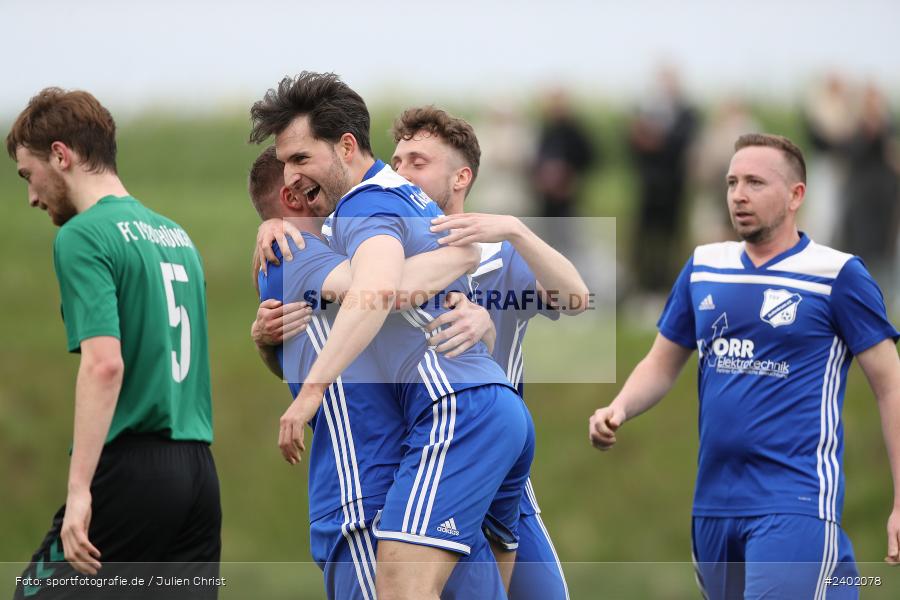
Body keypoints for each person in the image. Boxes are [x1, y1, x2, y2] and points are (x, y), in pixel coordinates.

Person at [255, 106, 591, 599]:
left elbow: (578, 298)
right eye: (397, 159)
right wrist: (272, 232)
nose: (401, 170)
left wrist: (512, 237)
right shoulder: (366, 237)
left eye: (418, 161)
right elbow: (352, 311)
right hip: (430, 444)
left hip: (469, 428)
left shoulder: (497, 254)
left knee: (406, 584)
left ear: (461, 177)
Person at [589, 133, 900, 600]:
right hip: (713, 505)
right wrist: (619, 408)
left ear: (796, 195)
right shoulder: (703, 266)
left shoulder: (836, 274)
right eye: (732, 182)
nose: (738, 194)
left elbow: (890, 385)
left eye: (755, 182)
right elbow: (661, 361)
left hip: (794, 500)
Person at [247, 145, 504, 600]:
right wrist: (463, 254)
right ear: (293, 199)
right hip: (362, 494)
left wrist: (480, 316)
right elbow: (380, 286)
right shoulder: (291, 253)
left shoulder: (344, 246)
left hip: (423, 479)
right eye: (310, 182)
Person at [7, 88, 221, 599]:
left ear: (61, 156)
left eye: (27, 174)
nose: (32, 196)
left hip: (131, 471)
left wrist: (79, 490)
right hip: (198, 476)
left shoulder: (83, 236)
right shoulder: (176, 236)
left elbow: (105, 366)